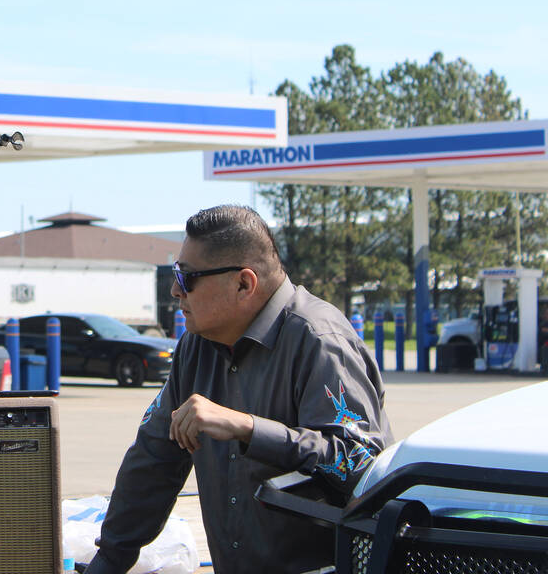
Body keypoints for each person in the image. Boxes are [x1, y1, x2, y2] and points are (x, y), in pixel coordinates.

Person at [86, 205, 392, 574]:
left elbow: (364, 468)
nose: (174, 291)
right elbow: (153, 461)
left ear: (244, 283)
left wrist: (247, 428)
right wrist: (109, 560)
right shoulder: (196, 346)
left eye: (186, 278)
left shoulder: (320, 340)